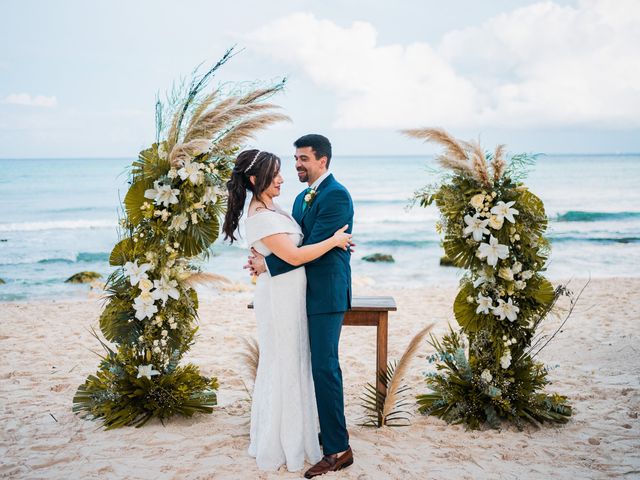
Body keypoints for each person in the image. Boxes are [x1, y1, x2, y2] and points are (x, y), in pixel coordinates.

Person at [222, 148, 352, 473]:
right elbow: (294, 256)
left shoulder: (278, 205)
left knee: (296, 364)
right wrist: (333, 242)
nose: (284, 176)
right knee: (283, 364)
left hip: (297, 295)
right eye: (276, 172)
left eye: (298, 161)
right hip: (280, 297)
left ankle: (304, 435)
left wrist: (267, 261)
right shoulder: (262, 213)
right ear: (255, 179)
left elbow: (301, 242)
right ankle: (283, 441)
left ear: (322, 160)